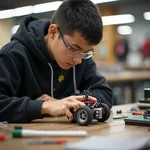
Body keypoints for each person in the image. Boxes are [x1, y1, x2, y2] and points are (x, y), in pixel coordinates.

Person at [0, 0, 113, 123]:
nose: (79, 60)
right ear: (53, 32)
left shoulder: (80, 55)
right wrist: (44, 107)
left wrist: (64, 103)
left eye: (86, 53)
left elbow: (104, 92)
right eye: (74, 49)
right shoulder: (12, 55)